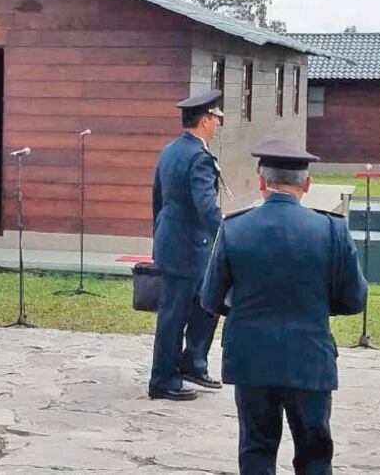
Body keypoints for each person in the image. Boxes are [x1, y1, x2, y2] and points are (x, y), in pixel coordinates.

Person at [200, 139, 368, 474]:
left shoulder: (234, 228)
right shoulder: (332, 230)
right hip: (309, 357)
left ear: (261, 182)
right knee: (314, 453)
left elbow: (210, 299)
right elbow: (354, 300)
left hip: (252, 358)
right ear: (307, 185)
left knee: (256, 449)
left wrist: (246, 306)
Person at [148, 89, 224, 401]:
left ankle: (193, 361)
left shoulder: (170, 150)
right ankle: (163, 380)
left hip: (172, 241)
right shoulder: (199, 158)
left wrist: (160, 235)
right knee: (174, 316)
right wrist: (229, 234)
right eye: (217, 118)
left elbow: (157, 199)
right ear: (205, 120)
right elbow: (206, 207)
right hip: (189, 248)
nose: (219, 124)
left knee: (205, 305)